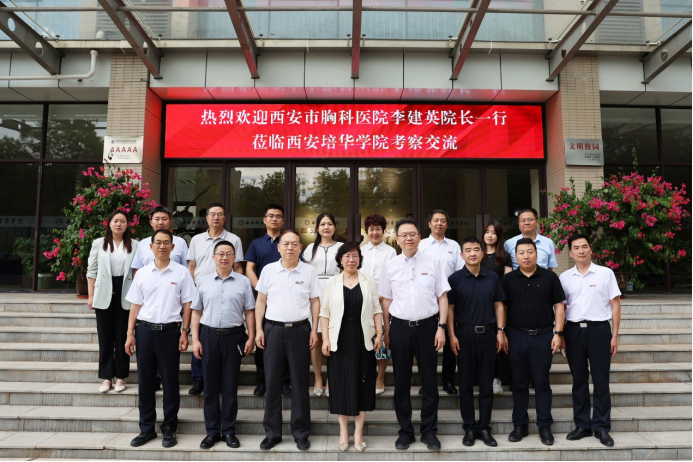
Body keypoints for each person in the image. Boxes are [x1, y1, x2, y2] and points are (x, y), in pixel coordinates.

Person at [379, 219, 450, 451]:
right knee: (401, 382)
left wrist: (441, 327)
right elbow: (386, 301)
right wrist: (387, 331)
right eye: (403, 235)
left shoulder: (433, 262)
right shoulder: (390, 265)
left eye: (412, 234)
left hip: (428, 327)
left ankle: (429, 431)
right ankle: (405, 431)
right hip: (399, 328)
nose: (408, 238)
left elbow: (442, 296)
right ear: (397, 240)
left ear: (419, 237)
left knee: (429, 382)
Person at [124, 229, 195, 449]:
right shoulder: (142, 273)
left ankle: (169, 428)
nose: (162, 246)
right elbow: (135, 305)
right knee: (145, 382)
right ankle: (146, 429)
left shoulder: (182, 273)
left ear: (173, 247)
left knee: (170, 382)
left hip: (170, 332)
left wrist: (185, 331)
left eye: (166, 243)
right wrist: (130, 334)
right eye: (158, 242)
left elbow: (188, 304)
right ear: (151, 246)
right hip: (145, 331)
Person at [254, 230, 321, 451]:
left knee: (300, 383)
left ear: (301, 247)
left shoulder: (309, 271)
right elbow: (261, 301)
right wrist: (259, 329)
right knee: (272, 383)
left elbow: (315, 301)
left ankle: (301, 432)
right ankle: (272, 433)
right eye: (285, 244)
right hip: (273, 330)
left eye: (294, 244)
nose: (290, 247)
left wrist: (315, 329)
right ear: (278, 247)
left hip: (300, 330)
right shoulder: (268, 270)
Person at [191, 240, 256, 450]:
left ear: (235, 257)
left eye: (229, 253)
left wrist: (251, 336)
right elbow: (196, 312)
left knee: (230, 387)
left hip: (233, 337)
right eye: (220, 254)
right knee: (210, 388)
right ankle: (212, 432)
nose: (224, 257)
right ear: (214, 257)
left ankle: (228, 431)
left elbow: (249, 311)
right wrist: (195, 339)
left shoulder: (243, 282)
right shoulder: (203, 281)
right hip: (209, 336)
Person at [502, 238, 565, 446]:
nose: (526, 256)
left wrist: (558, 333)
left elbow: (559, 306)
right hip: (516, 336)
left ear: (537, 254)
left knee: (541, 382)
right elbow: (502, 308)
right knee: (519, 383)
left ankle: (544, 425)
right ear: (515, 256)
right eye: (521, 252)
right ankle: (520, 424)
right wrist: (502, 332)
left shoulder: (550, 277)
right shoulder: (508, 279)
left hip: (543, 336)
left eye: (530, 252)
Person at [320, 243, 384, 452]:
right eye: (347, 256)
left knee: (362, 384)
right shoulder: (332, 282)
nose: (351, 260)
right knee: (340, 384)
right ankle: (343, 432)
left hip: (363, 338)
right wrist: (325, 339)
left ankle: (358, 432)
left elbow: (376, 309)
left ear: (359, 259)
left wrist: (379, 334)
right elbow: (324, 312)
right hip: (338, 339)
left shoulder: (368, 280)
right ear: (340, 260)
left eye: (355, 256)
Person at [560, 233, 621, 447]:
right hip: (573, 331)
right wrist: (561, 335)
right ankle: (582, 425)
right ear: (570, 253)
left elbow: (615, 305)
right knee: (579, 380)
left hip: (599, 331)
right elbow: (562, 308)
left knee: (601, 380)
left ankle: (602, 427)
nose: (581, 251)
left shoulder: (605, 273)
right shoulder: (565, 277)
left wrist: (615, 335)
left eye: (584, 246)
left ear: (591, 250)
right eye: (576, 248)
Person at [447, 237, 506, 448]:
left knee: (486, 384)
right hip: (463, 336)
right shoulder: (454, 279)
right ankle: (470, 428)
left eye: (476, 249)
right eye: (468, 250)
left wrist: (501, 332)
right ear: (461, 255)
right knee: (465, 385)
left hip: (488, 335)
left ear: (482, 254)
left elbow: (499, 305)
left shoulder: (492, 277)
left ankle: (484, 427)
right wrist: (452, 335)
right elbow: (450, 309)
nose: (472, 253)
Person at [186, 203, 245, 396]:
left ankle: (220, 380)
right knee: (201, 334)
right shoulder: (196, 240)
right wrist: (190, 291)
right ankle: (199, 379)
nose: (216, 217)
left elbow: (239, 267)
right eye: (212, 214)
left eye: (220, 214)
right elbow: (191, 266)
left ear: (225, 217)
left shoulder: (234, 239)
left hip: (228, 289)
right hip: (202, 290)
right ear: (207, 217)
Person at [87, 210, 139, 394]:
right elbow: (92, 270)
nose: (118, 224)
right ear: (109, 223)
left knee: (123, 336)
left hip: (126, 290)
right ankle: (107, 377)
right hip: (104, 291)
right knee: (105, 337)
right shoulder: (99, 243)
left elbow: (137, 272)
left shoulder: (135, 244)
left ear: (127, 224)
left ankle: (121, 377)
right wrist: (91, 295)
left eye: (122, 221)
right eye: (115, 221)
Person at [245, 204, 292, 397]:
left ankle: (285, 382)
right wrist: (262, 290)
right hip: (263, 301)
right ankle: (262, 382)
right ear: (264, 220)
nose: (274, 219)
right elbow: (249, 269)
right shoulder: (256, 244)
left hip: (286, 301)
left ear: (283, 220)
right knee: (262, 342)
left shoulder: (288, 243)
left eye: (278, 216)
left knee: (286, 344)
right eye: (270, 216)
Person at [419, 209, 464, 396]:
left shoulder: (454, 246)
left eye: (442, 221)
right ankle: (426, 382)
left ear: (447, 224)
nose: (439, 223)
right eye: (436, 220)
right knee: (427, 343)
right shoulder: (421, 245)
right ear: (429, 223)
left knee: (450, 340)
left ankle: (448, 380)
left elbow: (460, 272)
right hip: (426, 297)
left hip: (450, 298)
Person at [303, 213, 343, 397]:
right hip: (315, 295)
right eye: (322, 224)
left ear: (335, 227)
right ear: (317, 228)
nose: (326, 227)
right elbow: (304, 273)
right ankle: (318, 378)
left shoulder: (342, 247)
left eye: (329, 224)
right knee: (316, 338)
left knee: (333, 337)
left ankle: (331, 380)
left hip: (337, 293)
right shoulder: (310, 249)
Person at [360, 214, 397, 395]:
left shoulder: (390, 252)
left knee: (382, 339)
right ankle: (365, 375)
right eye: (371, 229)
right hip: (362, 299)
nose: (374, 232)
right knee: (364, 338)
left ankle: (380, 376)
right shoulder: (360, 251)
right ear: (366, 231)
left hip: (384, 300)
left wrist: (380, 296)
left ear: (384, 231)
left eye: (378, 229)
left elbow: (392, 277)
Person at [481, 221, 513, 395]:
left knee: (499, 340)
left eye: (494, 232)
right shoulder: (478, 253)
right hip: (480, 304)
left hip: (500, 303)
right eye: (487, 231)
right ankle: (485, 377)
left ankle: (498, 378)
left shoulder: (504, 256)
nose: (490, 235)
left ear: (499, 236)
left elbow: (507, 281)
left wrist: (503, 302)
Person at [131, 205, 189, 274]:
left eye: (164, 219)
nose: (160, 222)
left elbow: (187, 268)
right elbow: (137, 269)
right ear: (151, 223)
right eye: (157, 219)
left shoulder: (180, 242)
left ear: (170, 222)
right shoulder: (143, 243)